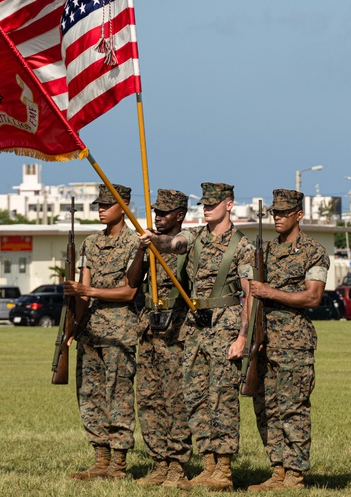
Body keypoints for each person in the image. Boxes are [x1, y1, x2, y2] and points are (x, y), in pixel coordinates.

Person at [141, 182, 255, 492]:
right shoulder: (195, 237)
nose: (206, 208)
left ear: (229, 205)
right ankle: (207, 465)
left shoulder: (242, 245)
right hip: (195, 326)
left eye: (213, 204)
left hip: (225, 323)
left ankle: (224, 469)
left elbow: (250, 295)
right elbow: (175, 244)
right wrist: (157, 240)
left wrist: (243, 337)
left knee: (223, 399)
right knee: (196, 398)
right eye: (204, 204)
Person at [247, 188, 329, 492]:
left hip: (294, 342)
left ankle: (294, 474)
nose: (277, 217)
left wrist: (271, 293)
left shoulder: (313, 251)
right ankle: (277, 470)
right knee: (265, 407)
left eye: (283, 212)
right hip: (264, 340)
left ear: (299, 214)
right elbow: (250, 294)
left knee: (293, 407)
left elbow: (313, 296)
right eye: (274, 212)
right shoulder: (264, 251)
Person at [65, 183, 145, 481]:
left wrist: (86, 289)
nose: (100, 209)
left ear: (123, 207)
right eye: (98, 204)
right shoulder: (90, 243)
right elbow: (83, 294)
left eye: (106, 204)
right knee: (90, 394)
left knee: (118, 395)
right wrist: (74, 326)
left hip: (119, 331)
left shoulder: (134, 243)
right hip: (91, 332)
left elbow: (128, 292)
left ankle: (119, 464)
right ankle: (100, 459)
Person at [134, 189, 192, 488]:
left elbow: (177, 246)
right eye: (156, 212)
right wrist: (143, 250)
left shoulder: (186, 242)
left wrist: (155, 242)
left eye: (164, 213)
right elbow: (132, 283)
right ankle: (159, 462)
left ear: (179, 215)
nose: (158, 217)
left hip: (176, 333)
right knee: (148, 399)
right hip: (149, 331)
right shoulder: (149, 244)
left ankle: (177, 465)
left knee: (175, 401)